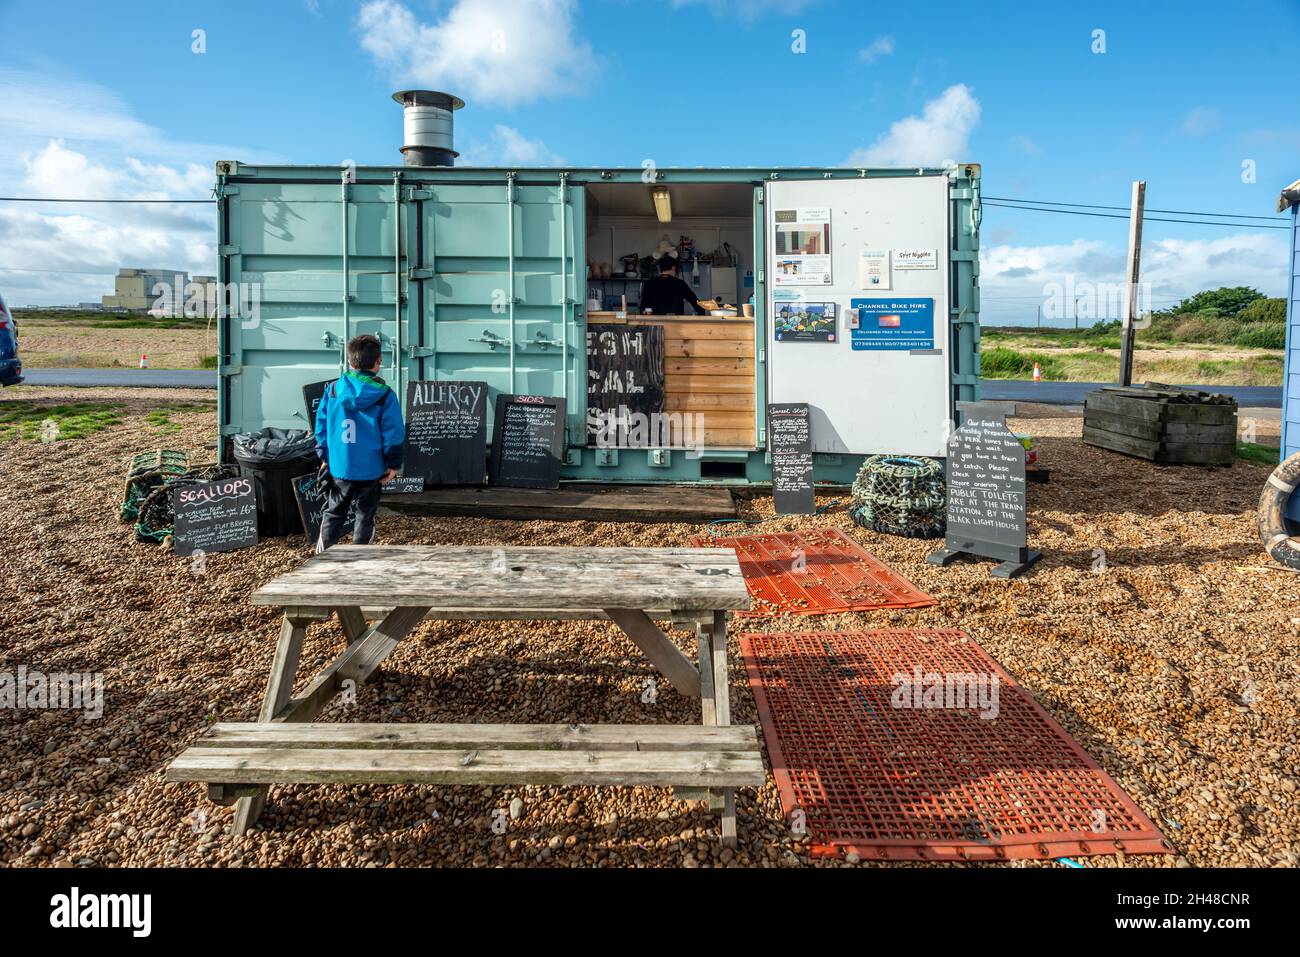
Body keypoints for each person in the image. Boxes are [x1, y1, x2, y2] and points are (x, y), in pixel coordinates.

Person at [313, 333, 404, 551]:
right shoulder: (385, 395)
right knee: (365, 514)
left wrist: (324, 456)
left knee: (334, 512)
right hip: (372, 469)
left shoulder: (333, 389)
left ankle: (323, 559)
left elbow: (321, 427)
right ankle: (360, 559)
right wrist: (393, 464)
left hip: (340, 466)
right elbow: (393, 434)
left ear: (351, 361)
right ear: (378, 362)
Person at [639, 255, 706, 316]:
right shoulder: (680, 284)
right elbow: (695, 302)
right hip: (676, 325)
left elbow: (643, 307)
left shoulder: (650, 284)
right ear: (673, 267)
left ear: (660, 268)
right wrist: (702, 315)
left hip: (656, 325)